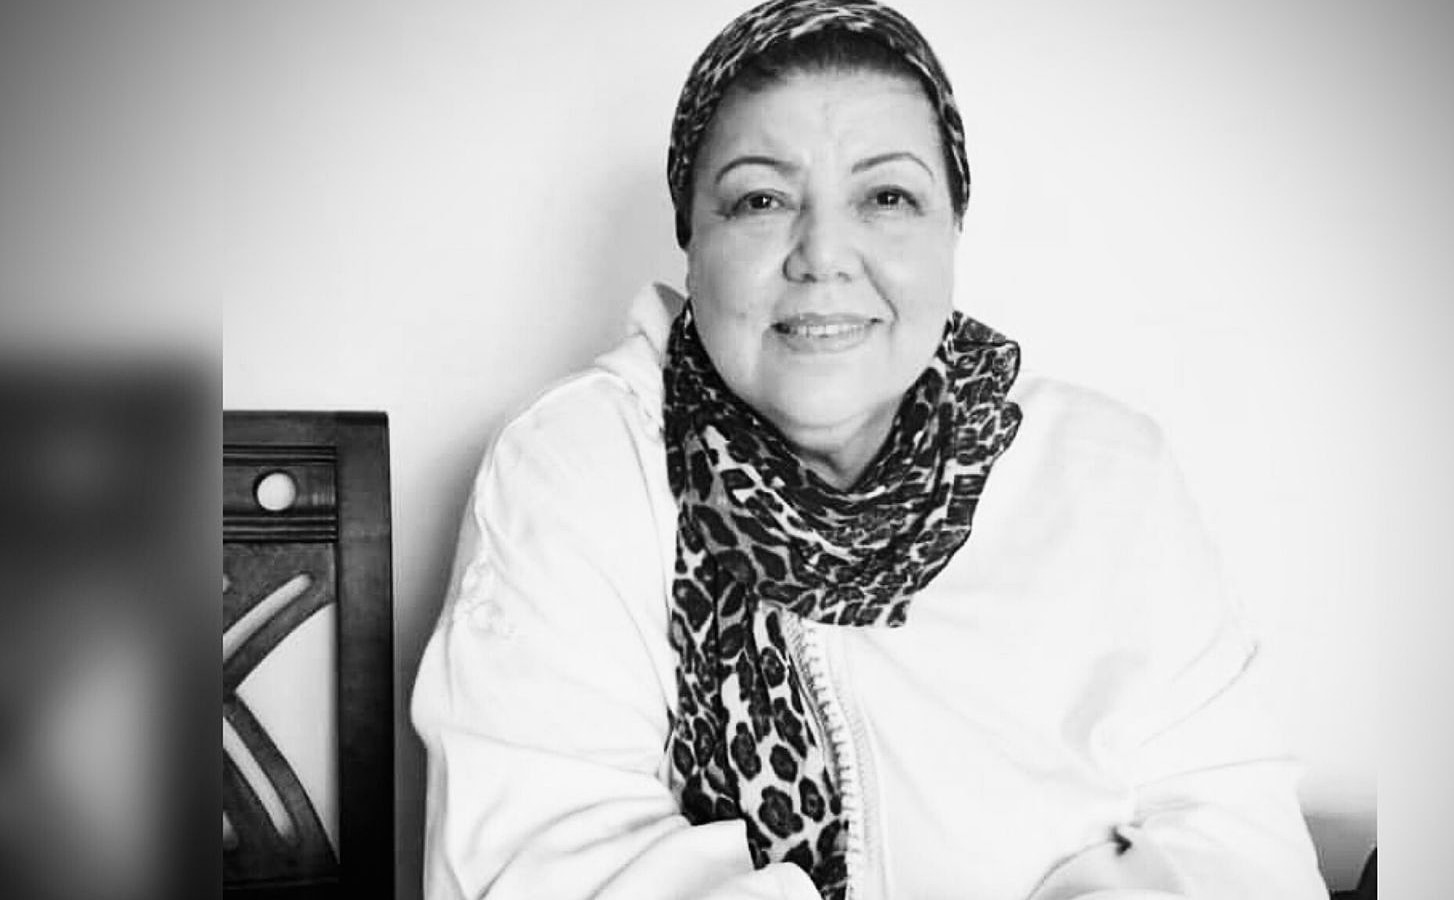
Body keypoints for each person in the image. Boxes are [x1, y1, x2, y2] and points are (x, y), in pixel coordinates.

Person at [410, 1, 1329, 898]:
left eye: (887, 197)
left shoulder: (1108, 471)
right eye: (760, 199)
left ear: (952, 229)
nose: (824, 254)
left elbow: (1239, 844)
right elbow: (541, 863)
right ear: (692, 240)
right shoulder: (576, 468)